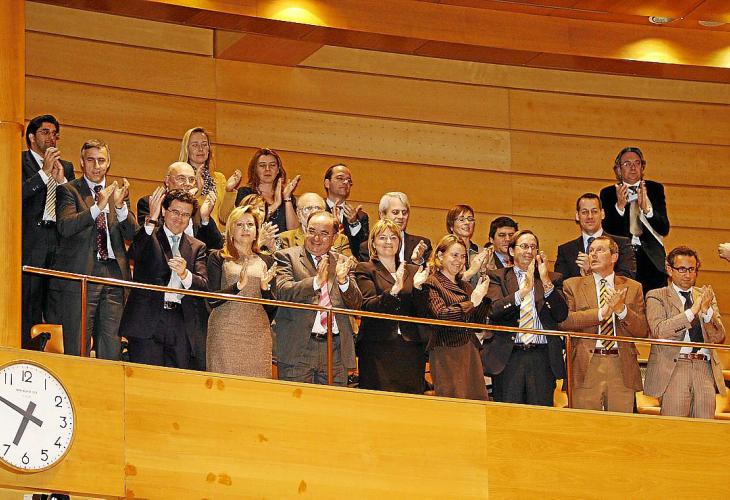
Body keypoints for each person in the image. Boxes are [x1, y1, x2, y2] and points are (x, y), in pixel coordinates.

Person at [53, 139, 138, 359]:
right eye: (90, 160)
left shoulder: (117, 193)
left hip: (114, 274)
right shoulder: (69, 190)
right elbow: (65, 226)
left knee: (111, 345)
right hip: (83, 273)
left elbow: (133, 235)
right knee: (78, 344)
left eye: (101, 160)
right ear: (82, 162)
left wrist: (120, 207)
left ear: (108, 163)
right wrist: (97, 207)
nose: (96, 165)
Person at [119, 189, 208, 369]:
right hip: (147, 321)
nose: (179, 218)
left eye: (186, 215)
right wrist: (151, 219)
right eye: (175, 212)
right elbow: (134, 252)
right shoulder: (149, 235)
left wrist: (185, 274)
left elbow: (203, 285)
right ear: (164, 211)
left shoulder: (197, 247)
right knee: (145, 378)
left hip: (180, 323)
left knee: (176, 381)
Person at [560, 236, 648, 412]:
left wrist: (621, 310)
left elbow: (642, 330)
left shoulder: (633, 287)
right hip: (586, 365)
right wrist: (601, 313)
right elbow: (565, 321)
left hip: (621, 365)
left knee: (620, 424)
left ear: (614, 257)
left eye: (599, 250)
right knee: (584, 424)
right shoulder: (572, 285)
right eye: (591, 251)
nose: (593, 254)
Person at [273, 211, 362, 386]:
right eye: (312, 231)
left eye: (324, 233)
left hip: (335, 349)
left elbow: (356, 303)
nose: (316, 238)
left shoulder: (343, 262)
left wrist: (343, 282)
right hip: (298, 347)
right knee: (296, 401)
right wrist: (315, 282)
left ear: (335, 238)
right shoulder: (286, 257)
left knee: (332, 401)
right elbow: (282, 292)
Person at [485, 230, 568, 406]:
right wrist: (523, 292)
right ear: (512, 251)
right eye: (524, 246)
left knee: (540, 415)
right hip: (509, 356)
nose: (529, 251)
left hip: (542, 357)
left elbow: (561, 315)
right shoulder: (497, 277)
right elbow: (494, 310)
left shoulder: (553, 278)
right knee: (508, 414)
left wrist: (546, 282)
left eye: (533, 247)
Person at [644, 246, 727, 418]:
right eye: (681, 269)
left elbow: (719, 337)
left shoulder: (706, 295)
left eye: (691, 269)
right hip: (675, 366)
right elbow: (660, 331)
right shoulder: (657, 295)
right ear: (669, 269)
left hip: (704, 366)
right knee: (675, 426)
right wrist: (692, 312)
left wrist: (707, 313)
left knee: (705, 425)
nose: (687, 274)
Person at [354, 219, 431, 394]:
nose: (388, 242)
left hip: (410, 348)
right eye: (382, 237)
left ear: (399, 242)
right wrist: (393, 291)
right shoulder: (365, 269)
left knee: (410, 402)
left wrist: (418, 288)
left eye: (393, 237)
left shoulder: (412, 270)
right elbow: (367, 306)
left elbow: (422, 311)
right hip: (377, 348)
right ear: (373, 243)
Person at [21, 114, 75, 350]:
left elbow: (72, 204)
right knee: (28, 300)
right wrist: (43, 173)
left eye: (54, 133)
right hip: (31, 242)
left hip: (59, 241)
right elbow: (16, 195)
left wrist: (62, 182)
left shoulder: (67, 167)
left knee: (55, 300)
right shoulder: (19, 161)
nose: (51, 137)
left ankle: (51, 349)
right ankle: (26, 347)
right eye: (45, 132)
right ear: (32, 137)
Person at [207, 205, 278, 377]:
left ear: (256, 231)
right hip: (226, 332)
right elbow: (211, 300)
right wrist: (237, 286)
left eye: (250, 224)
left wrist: (265, 289)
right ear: (231, 230)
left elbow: (272, 309)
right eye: (239, 224)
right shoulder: (218, 257)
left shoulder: (267, 260)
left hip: (258, 333)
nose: (245, 228)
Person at [421, 234, 491, 400]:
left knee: (476, 401)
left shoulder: (465, 285)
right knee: (453, 402)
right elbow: (442, 315)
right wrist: (472, 302)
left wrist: (482, 299)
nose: (459, 261)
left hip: (470, 350)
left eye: (463, 256)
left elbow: (478, 323)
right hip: (447, 351)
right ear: (440, 255)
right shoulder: (432, 282)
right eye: (454, 255)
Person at [600, 147, 670, 293]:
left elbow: (664, 228)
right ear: (618, 170)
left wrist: (648, 210)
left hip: (651, 259)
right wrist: (619, 207)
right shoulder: (608, 193)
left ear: (642, 168)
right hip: (622, 258)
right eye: (627, 164)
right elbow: (608, 231)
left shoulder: (654, 189)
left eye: (637, 163)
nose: (633, 167)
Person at [137, 161, 223, 251]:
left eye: (191, 180)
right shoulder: (151, 203)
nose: (187, 184)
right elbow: (146, 241)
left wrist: (205, 219)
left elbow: (217, 245)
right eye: (181, 179)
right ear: (167, 181)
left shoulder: (197, 208)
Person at [555, 193, 636, 280]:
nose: (590, 216)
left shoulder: (622, 244)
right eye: (584, 212)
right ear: (577, 216)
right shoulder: (565, 250)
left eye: (594, 211)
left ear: (602, 214)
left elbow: (626, 279)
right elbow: (560, 284)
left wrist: (591, 272)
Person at [222, 148, 300, 231]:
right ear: (255, 170)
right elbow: (248, 223)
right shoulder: (245, 193)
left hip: (283, 239)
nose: (267, 169)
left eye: (272, 165)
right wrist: (275, 204)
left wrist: (287, 198)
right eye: (262, 165)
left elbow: (294, 230)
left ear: (278, 170)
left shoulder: (286, 195)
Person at [358, 192, 430, 265]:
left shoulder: (422, 245)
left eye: (404, 212)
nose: (401, 217)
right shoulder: (367, 248)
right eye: (395, 212)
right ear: (382, 215)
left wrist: (417, 261)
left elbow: (429, 270)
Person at [179, 127, 227, 228]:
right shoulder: (180, 178)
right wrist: (197, 188)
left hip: (213, 234)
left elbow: (225, 218)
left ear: (209, 149)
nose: (200, 149)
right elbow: (181, 209)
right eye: (195, 145)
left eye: (204, 144)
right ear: (186, 149)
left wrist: (230, 191)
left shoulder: (219, 178)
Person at [278, 192, 352, 256]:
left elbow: (350, 264)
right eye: (308, 208)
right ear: (299, 214)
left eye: (318, 208)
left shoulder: (340, 239)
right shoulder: (286, 238)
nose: (314, 212)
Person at [323, 163, 369, 260]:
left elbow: (363, 249)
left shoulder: (360, 216)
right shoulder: (318, 211)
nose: (345, 182)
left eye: (349, 180)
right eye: (340, 178)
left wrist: (354, 224)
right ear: (327, 183)